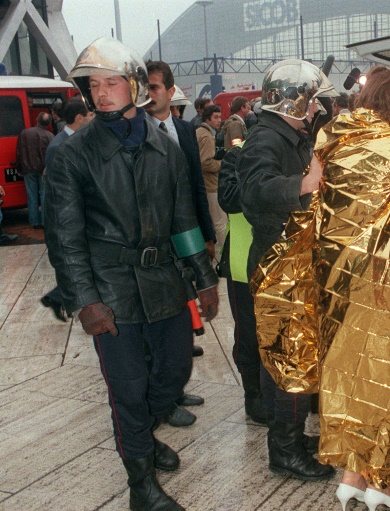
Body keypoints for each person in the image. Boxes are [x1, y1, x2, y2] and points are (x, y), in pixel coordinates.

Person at [45, 37, 219, 511]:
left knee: (174, 373)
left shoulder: (165, 146)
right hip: (110, 288)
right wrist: (85, 300)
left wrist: (202, 277)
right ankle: (141, 486)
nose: (101, 94)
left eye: (112, 83)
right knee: (128, 389)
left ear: (135, 86)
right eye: (93, 85)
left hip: (163, 281)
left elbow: (183, 220)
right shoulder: (73, 155)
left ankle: (142, 435)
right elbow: (65, 238)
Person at [261, 65, 390, 511]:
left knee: (348, 371)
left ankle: (351, 475)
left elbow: (314, 201)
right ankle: (381, 482)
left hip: (336, 279)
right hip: (389, 281)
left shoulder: (329, 136)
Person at [235, 59, 335, 482]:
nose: (316, 111)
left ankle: (289, 437)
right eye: (312, 102)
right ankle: (286, 450)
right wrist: (302, 185)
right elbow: (253, 191)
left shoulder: (289, 136)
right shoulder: (264, 140)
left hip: (291, 260)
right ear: (293, 100)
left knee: (291, 358)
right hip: (279, 263)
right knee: (289, 360)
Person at [144, 59, 216, 427]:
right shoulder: (136, 132)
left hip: (186, 238)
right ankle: (164, 397)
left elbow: (195, 190)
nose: (148, 94)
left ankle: (176, 384)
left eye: (154, 87)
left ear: (171, 91)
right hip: (154, 245)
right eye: (145, 87)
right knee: (161, 323)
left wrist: (206, 236)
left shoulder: (186, 130)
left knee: (183, 317)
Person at [39, 98, 94, 322]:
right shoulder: (57, 146)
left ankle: (57, 297)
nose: (93, 119)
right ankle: (58, 297)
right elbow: (56, 192)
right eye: (90, 115)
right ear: (80, 118)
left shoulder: (83, 140)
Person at [196, 104, 227, 255]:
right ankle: (226, 255)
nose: (219, 120)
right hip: (210, 185)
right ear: (207, 119)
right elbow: (205, 162)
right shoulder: (206, 136)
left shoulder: (199, 132)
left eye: (220, 117)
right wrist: (223, 164)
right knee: (220, 222)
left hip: (202, 184)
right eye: (215, 117)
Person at [16, 111, 54, 229]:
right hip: (43, 170)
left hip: (28, 169)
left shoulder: (24, 133)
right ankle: (44, 221)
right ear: (48, 124)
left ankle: (34, 222)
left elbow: (19, 153)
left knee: (31, 195)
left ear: (37, 119)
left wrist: (19, 168)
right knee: (44, 195)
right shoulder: (50, 136)